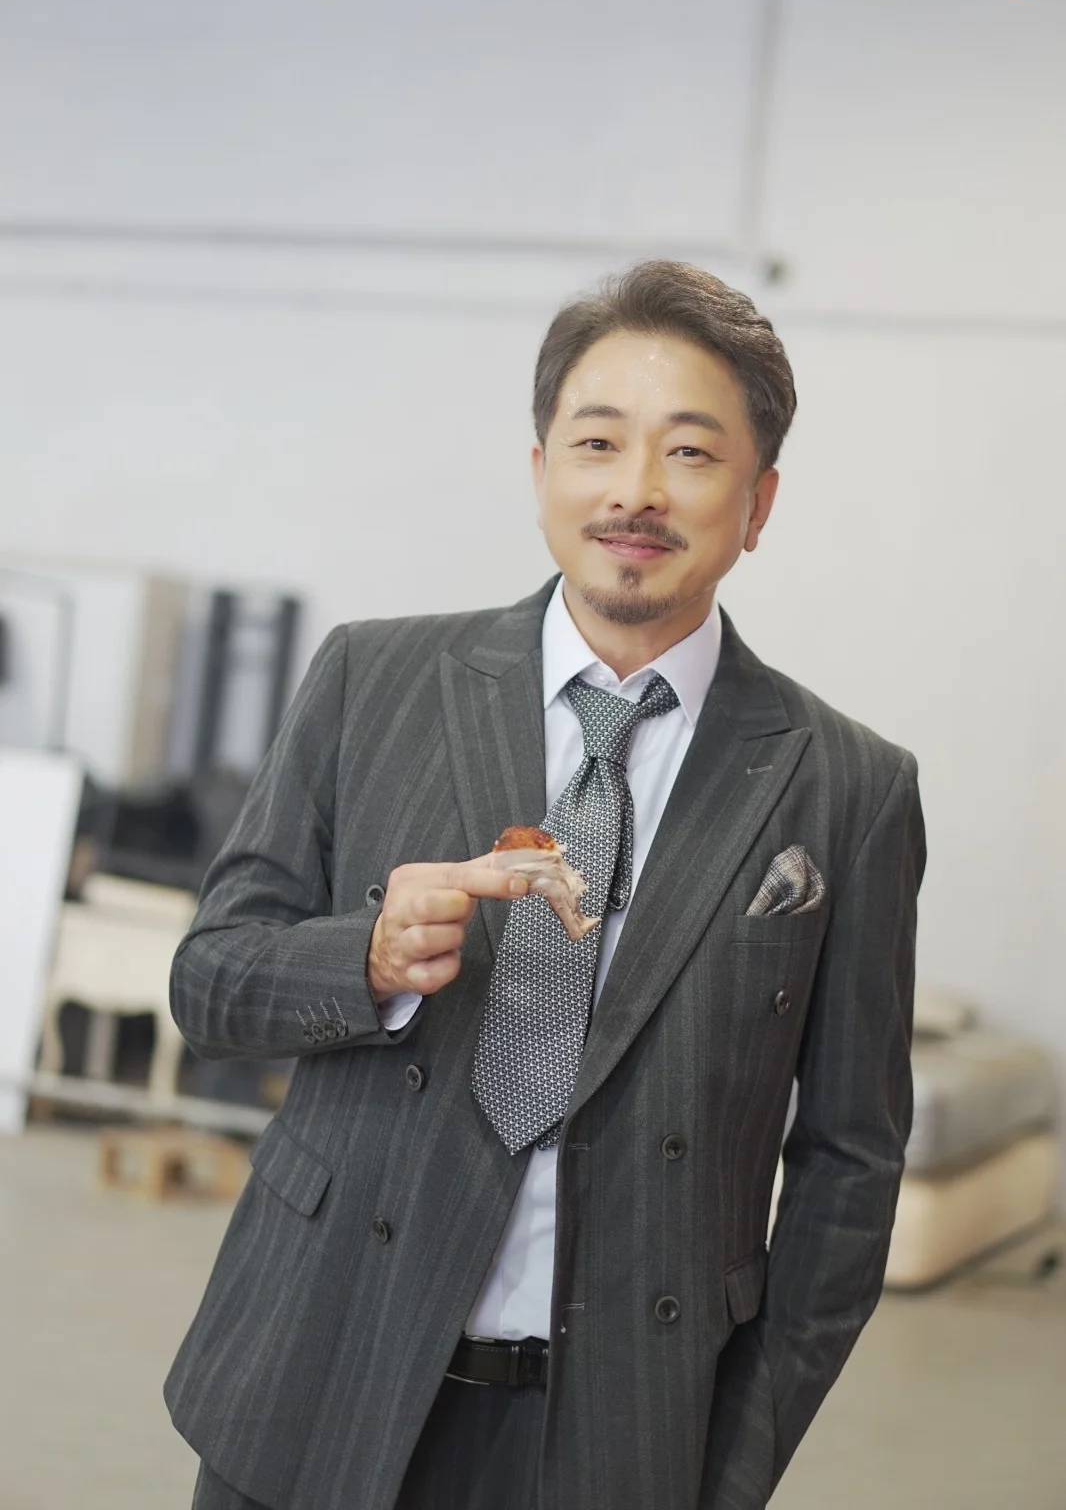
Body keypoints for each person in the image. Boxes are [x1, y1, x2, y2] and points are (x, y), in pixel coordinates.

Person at [164, 260, 926, 1510]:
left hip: (615, 1438)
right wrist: (364, 957)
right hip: (316, 1379)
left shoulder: (848, 787)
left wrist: (730, 1463)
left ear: (758, 501)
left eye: (691, 452)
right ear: (540, 473)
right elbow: (208, 983)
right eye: (597, 442)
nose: (635, 490)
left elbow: (851, 1165)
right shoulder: (371, 682)